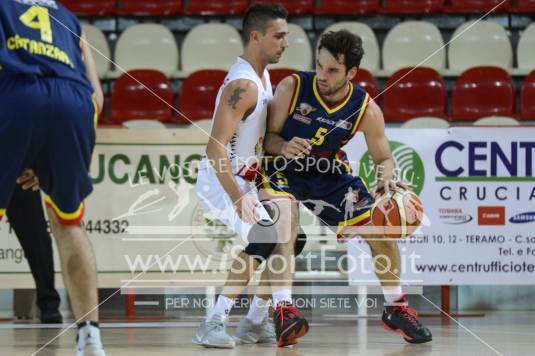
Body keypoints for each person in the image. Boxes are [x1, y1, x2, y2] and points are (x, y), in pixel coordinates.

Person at [260, 30, 433, 344]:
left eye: (333, 70)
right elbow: (267, 138)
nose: (323, 76)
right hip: (281, 167)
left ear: (351, 72)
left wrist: (385, 181)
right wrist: (284, 145)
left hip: (328, 172)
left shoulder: (365, 108)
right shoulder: (292, 87)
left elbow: (383, 157)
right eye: (320, 66)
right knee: (286, 219)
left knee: (378, 227)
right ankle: (283, 310)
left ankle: (396, 307)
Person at [192, 3, 308, 349]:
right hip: (223, 180)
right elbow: (215, 151)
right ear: (255, 37)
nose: (286, 42)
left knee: (292, 240)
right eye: (279, 35)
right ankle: (213, 323)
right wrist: (238, 196)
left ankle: (255, 322)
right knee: (267, 238)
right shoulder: (243, 84)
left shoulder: (262, 75)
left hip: (249, 177)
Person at [0, 1, 105, 355]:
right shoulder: (68, 18)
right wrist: (37, 155)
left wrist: (17, 144)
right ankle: (90, 335)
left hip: (18, 95)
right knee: (68, 222)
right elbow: (98, 96)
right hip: (74, 103)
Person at [7, 182, 62, 324]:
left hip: (19, 173)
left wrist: (34, 166)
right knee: (37, 240)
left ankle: (49, 306)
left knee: (37, 240)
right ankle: (49, 305)